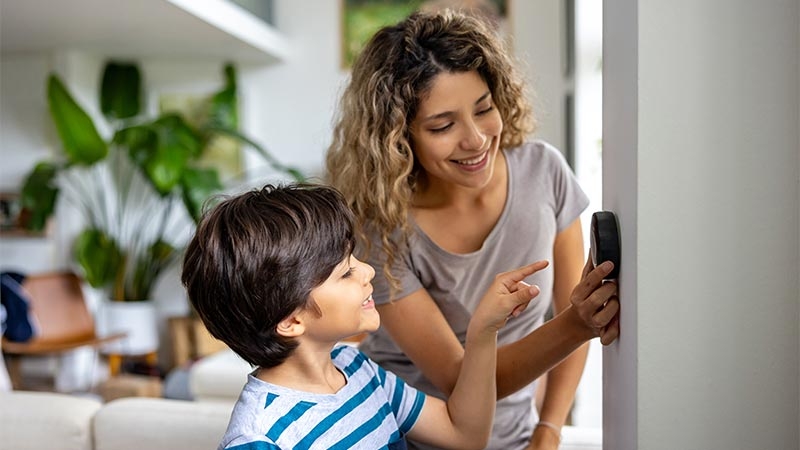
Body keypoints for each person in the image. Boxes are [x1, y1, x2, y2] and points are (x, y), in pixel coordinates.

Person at [326, 9, 620, 450]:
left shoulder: (544, 172)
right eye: (443, 126)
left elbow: (567, 307)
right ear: (398, 136)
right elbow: (464, 379)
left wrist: (549, 428)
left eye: (484, 109)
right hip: (404, 438)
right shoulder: (380, 226)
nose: (476, 139)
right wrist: (578, 324)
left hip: (516, 437)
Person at [183, 183, 614, 450]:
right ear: (291, 321)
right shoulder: (261, 438)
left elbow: (465, 435)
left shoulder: (355, 370)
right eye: (345, 272)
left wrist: (483, 331)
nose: (368, 271)